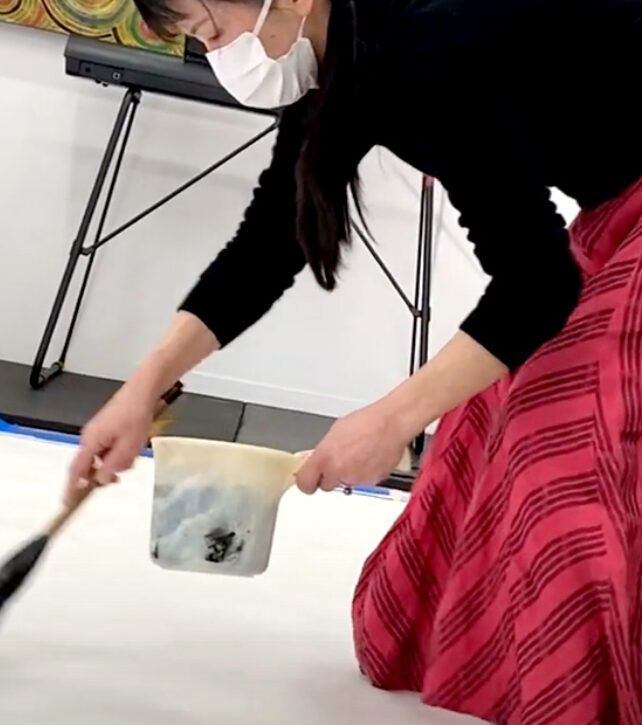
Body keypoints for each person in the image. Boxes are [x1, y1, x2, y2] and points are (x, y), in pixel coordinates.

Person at [63, 0, 642, 722]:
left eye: (212, 30)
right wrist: (144, 387)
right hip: (617, 211)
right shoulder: (345, 54)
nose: (218, 57)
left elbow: (536, 280)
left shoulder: (429, 33)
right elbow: (268, 242)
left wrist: (392, 419)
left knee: (562, 448)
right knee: (476, 444)